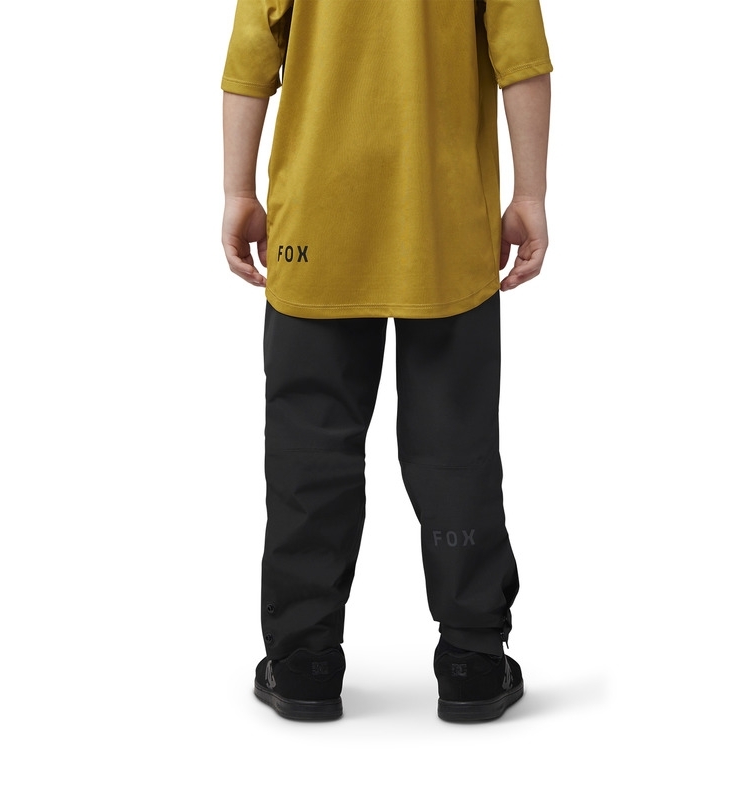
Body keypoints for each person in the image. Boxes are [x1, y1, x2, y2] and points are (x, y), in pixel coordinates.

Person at [220, 0, 552, 722]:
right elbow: (521, 57)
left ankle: (304, 661)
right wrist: (529, 192)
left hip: (315, 225)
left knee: (310, 451)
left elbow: (251, 56)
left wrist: (239, 191)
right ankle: (472, 659)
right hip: (444, 227)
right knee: (456, 450)